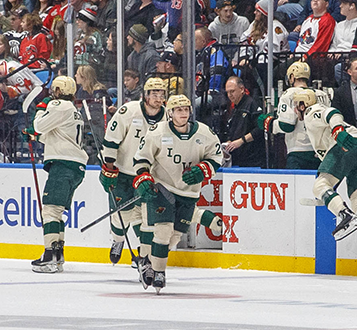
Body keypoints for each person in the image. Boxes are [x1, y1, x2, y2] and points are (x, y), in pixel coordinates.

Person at [132, 94, 223, 292]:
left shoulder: (204, 133)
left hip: (189, 193)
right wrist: (144, 177)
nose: (183, 113)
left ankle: (146, 260)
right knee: (163, 230)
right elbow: (141, 158)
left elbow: (217, 156)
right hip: (163, 187)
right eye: (179, 110)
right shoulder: (157, 132)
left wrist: (203, 170)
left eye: (186, 109)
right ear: (170, 112)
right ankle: (158, 273)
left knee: (174, 237)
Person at [293, 89, 357, 263]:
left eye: (297, 105)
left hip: (345, 147)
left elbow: (332, 113)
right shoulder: (312, 119)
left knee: (320, 185)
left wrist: (338, 131)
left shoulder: (312, 111)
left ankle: (345, 215)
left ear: (303, 104)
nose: (295, 110)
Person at [100, 78, 167, 265]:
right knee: (121, 214)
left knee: (145, 216)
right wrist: (109, 167)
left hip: (147, 176)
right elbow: (111, 139)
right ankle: (118, 240)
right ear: (145, 95)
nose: (158, 97)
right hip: (123, 172)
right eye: (154, 93)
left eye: (161, 94)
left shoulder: (167, 117)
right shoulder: (128, 111)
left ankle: (142, 254)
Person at [25, 76, 86, 274]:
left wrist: (41, 108)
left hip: (63, 165)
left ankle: (50, 255)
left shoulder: (59, 105)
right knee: (56, 211)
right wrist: (35, 137)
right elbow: (54, 135)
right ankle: (58, 254)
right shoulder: (73, 111)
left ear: (58, 91)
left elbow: (39, 125)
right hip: (74, 165)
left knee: (50, 210)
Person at [219, 77, 265, 167]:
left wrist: (241, 141)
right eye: (227, 92)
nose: (229, 95)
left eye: (232, 91)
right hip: (238, 160)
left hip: (253, 161)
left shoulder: (252, 104)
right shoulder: (234, 109)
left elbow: (260, 128)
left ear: (241, 89)